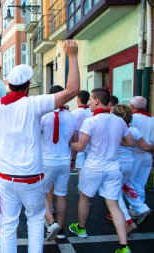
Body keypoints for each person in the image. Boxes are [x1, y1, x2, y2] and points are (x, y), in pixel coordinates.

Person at [0, 40, 80, 253]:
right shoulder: (33, 103)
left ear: (9, 86)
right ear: (28, 85)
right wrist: (72, 56)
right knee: (35, 220)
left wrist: (4, 129)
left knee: (8, 224)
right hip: (31, 177)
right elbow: (73, 90)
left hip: (6, 177)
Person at [69, 88, 134, 253]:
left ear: (97, 100)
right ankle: (123, 246)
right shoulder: (119, 121)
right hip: (113, 167)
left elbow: (81, 146)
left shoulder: (91, 121)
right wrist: (114, 143)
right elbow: (130, 142)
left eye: (91, 99)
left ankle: (82, 229)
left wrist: (69, 143)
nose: (89, 102)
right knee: (113, 204)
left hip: (93, 167)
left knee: (84, 197)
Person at [40, 86, 77, 240]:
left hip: (47, 160)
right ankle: (60, 230)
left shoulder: (43, 116)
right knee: (61, 194)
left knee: (40, 191)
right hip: (64, 160)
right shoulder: (71, 116)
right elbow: (75, 141)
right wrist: (73, 159)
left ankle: (51, 222)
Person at [111, 104, 153, 233]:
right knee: (127, 185)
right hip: (130, 163)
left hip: (118, 164)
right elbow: (146, 146)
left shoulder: (113, 130)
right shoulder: (134, 130)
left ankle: (127, 221)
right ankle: (142, 208)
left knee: (113, 193)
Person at [127, 96, 154, 224]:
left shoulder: (132, 119)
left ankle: (139, 208)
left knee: (129, 183)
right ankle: (137, 209)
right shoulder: (152, 120)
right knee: (141, 182)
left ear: (132, 106)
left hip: (134, 155)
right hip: (148, 154)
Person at [71, 90, 92, 175]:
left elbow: (73, 131)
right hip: (90, 144)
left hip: (78, 144)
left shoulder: (73, 113)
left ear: (78, 99)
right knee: (90, 171)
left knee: (81, 172)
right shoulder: (92, 112)